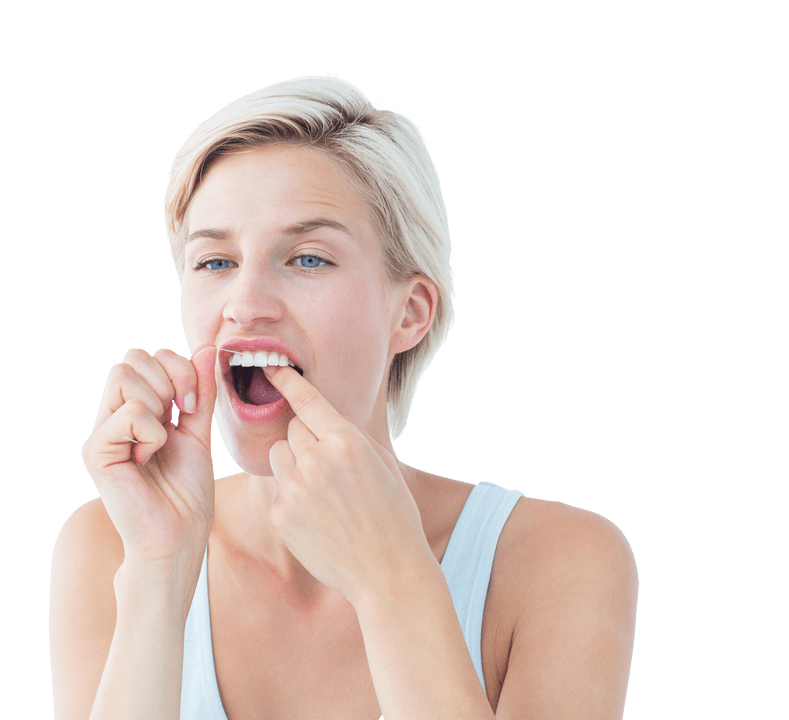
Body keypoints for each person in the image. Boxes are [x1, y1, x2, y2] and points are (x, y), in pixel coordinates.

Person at [49, 71, 639, 720]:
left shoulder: (559, 562)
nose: (244, 305)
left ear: (409, 312)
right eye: (215, 262)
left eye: (307, 258)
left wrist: (392, 581)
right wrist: (161, 572)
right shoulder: (113, 544)